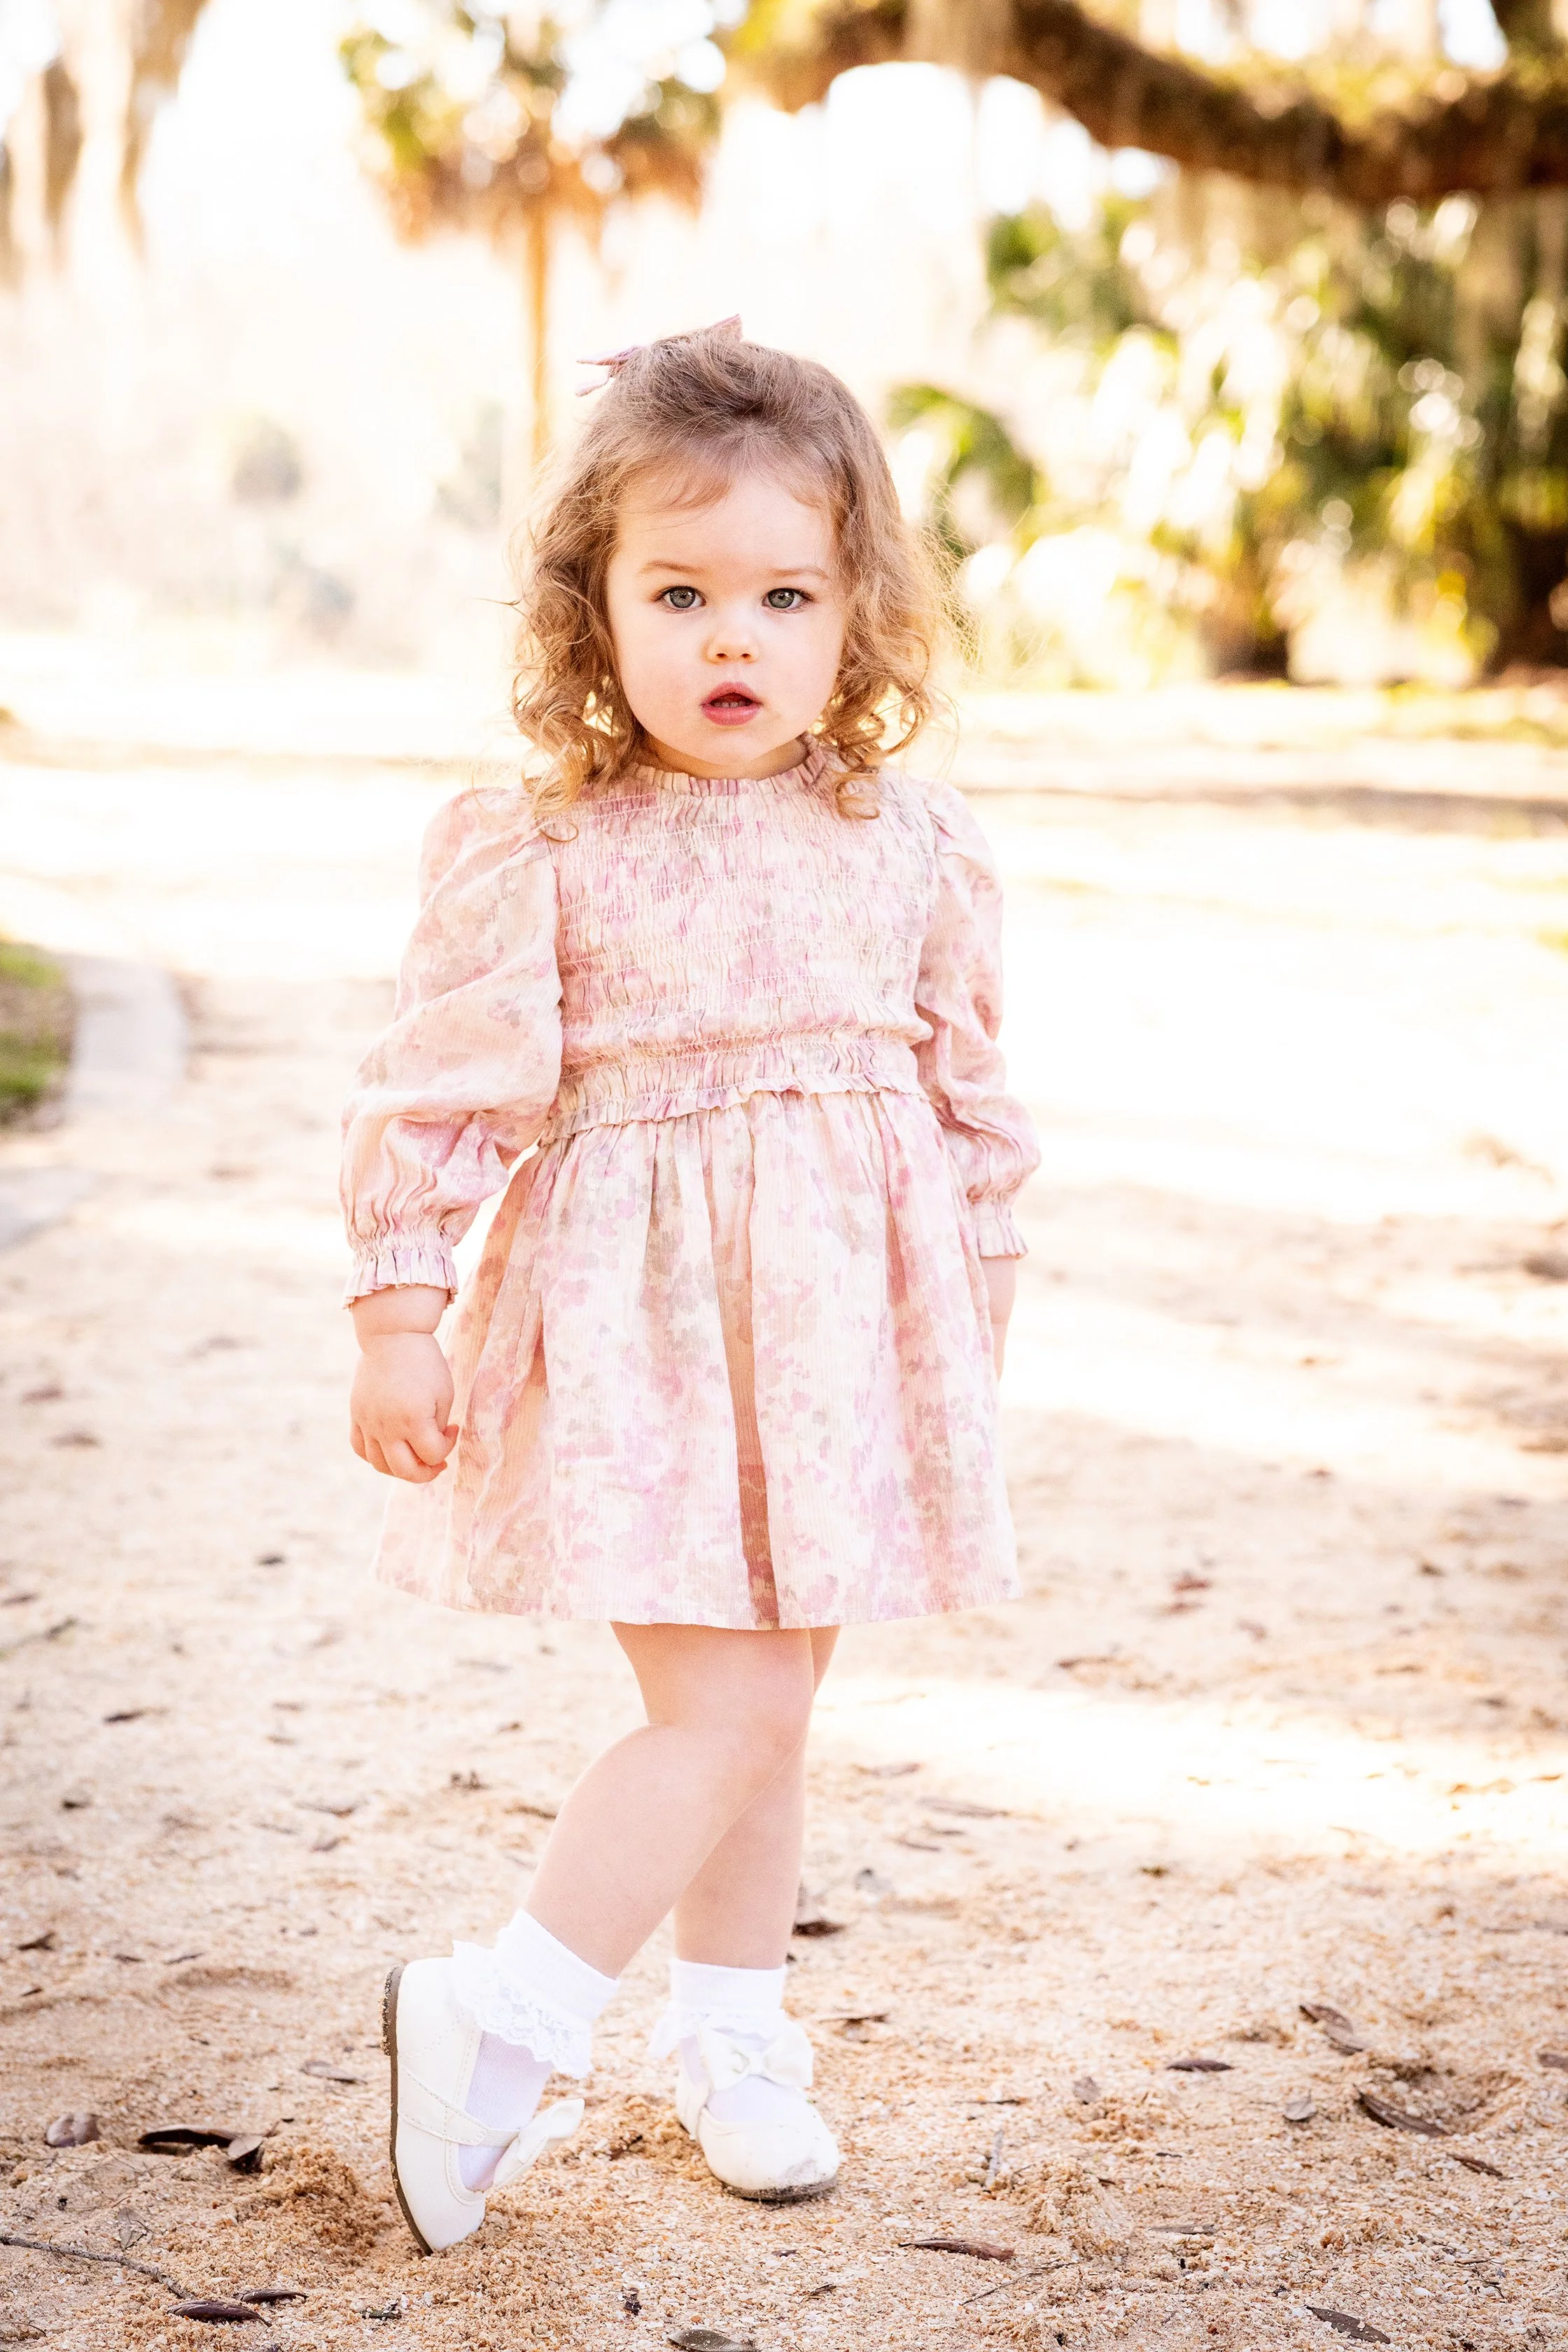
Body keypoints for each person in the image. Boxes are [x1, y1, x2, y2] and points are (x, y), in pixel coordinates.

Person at [340, 320, 1040, 2255]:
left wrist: (961, 1340)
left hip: (841, 1356)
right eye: (681, 591)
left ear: (859, 613)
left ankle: (734, 2039)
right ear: (595, 609)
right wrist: (400, 1298)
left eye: (784, 594)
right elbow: (444, 1088)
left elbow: (973, 1109)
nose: (733, 639)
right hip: (648, 1356)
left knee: (775, 1710)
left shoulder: (903, 839)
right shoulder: (548, 848)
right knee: (716, 1712)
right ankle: (501, 2021)